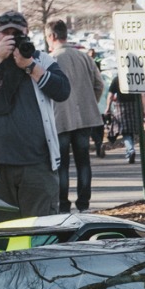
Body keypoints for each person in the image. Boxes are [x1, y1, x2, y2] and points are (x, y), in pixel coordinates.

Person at [0, 10, 71, 219]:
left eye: (16, 33)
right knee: (3, 229)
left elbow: (62, 91)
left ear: (26, 33)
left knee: (41, 227)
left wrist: (30, 67)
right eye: (5, 33)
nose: (11, 38)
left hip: (38, 165)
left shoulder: (41, 60)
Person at [48, 21, 104, 211]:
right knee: (83, 161)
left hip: (60, 117)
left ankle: (63, 203)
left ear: (52, 36)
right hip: (84, 117)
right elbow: (99, 84)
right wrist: (90, 102)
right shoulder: (84, 57)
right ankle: (83, 203)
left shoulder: (51, 60)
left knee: (61, 164)